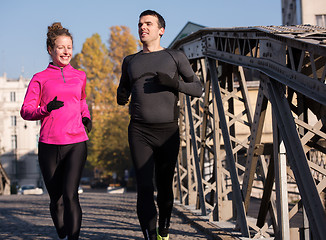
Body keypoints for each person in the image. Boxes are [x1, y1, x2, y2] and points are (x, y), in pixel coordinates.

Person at [117, 10, 203, 240]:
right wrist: (121, 94)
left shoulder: (175, 57)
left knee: (164, 187)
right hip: (139, 131)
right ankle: (150, 236)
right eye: (140, 24)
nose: (142, 28)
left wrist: (174, 84)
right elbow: (123, 87)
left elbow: (198, 88)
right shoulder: (130, 61)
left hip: (167, 132)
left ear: (161, 30)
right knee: (144, 187)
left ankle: (164, 228)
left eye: (148, 24)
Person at [20, 22, 92, 240]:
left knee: (71, 195)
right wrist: (45, 109)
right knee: (57, 199)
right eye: (61, 47)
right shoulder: (39, 78)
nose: (66, 51)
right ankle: (62, 231)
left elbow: (81, 101)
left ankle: (73, 238)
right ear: (50, 50)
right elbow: (26, 111)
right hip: (49, 144)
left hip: (76, 142)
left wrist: (86, 116)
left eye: (69, 46)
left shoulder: (80, 76)